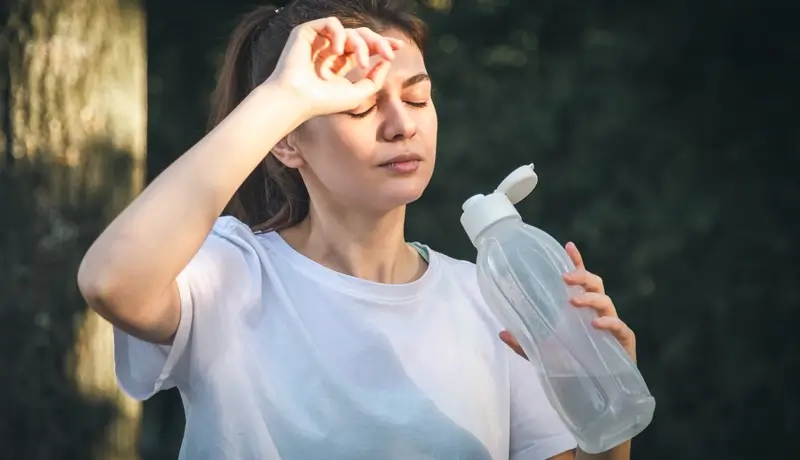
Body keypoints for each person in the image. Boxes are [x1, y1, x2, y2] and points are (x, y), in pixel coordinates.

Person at [78, 1, 639, 459]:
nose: (401, 125)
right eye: (360, 106)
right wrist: (281, 97)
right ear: (288, 139)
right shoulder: (233, 273)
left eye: (417, 96)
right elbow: (111, 281)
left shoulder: (492, 301)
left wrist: (602, 394)